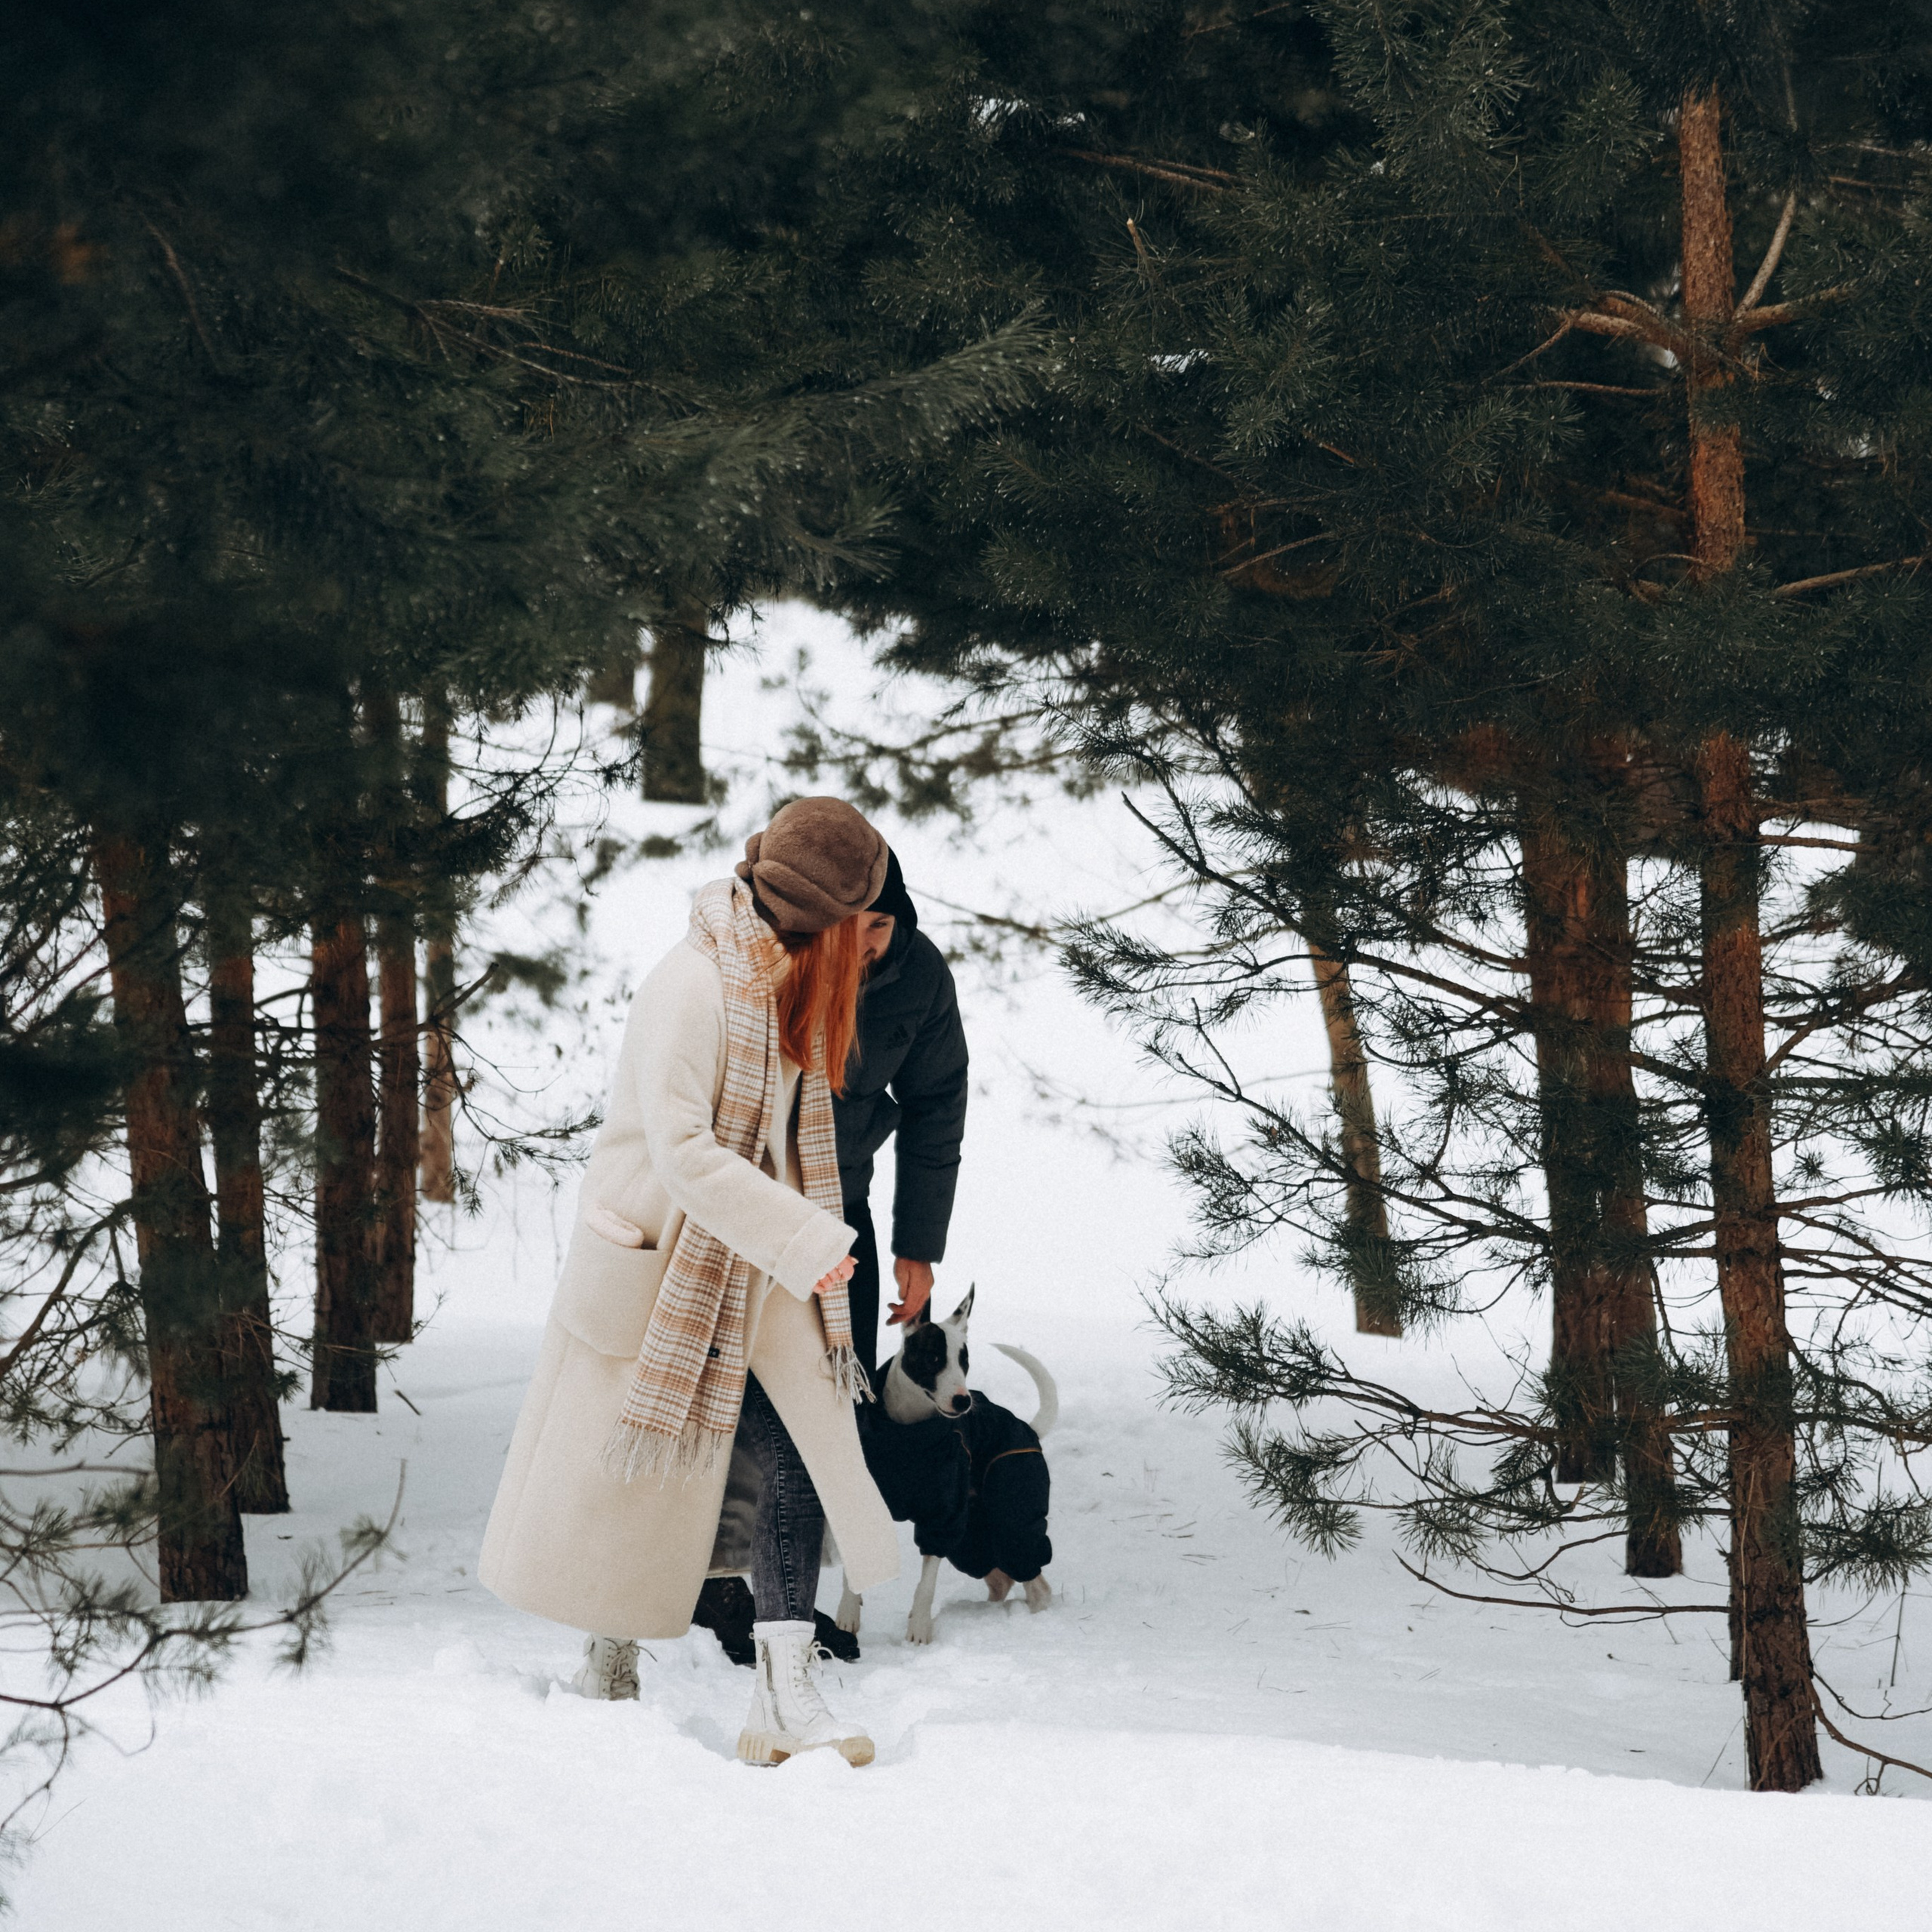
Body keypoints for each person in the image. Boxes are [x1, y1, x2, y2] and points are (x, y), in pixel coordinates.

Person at [478, 798, 902, 1766]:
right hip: (672, 1262)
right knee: (649, 1470)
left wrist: (798, 1242)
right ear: (822, 921)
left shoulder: (777, 976)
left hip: (756, 1264)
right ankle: (609, 1658)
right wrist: (805, 1237)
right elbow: (682, 1152)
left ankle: (782, 1700)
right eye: (864, 925)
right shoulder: (697, 986)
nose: (873, 945)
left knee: (792, 1461)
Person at [838, 850, 969, 1381]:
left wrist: (917, 1248)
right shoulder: (767, 962)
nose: (862, 941)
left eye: (880, 923)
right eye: (845, 922)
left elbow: (936, 1107)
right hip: (747, 1199)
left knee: (847, 1387)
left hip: (841, 1202)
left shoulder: (920, 977)